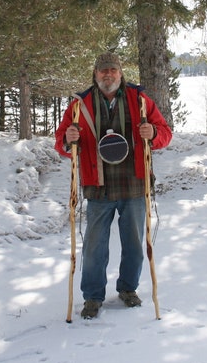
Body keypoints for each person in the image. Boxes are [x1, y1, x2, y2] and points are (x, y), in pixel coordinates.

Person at [55, 52, 172, 319]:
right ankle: (93, 297)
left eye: (113, 70)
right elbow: (61, 140)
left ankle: (128, 289)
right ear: (95, 74)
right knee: (95, 245)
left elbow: (165, 132)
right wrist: (67, 139)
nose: (108, 74)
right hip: (98, 186)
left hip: (134, 183)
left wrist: (153, 134)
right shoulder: (79, 104)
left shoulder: (139, 99)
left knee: (133, 242)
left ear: (121, 73)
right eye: (103, 70)